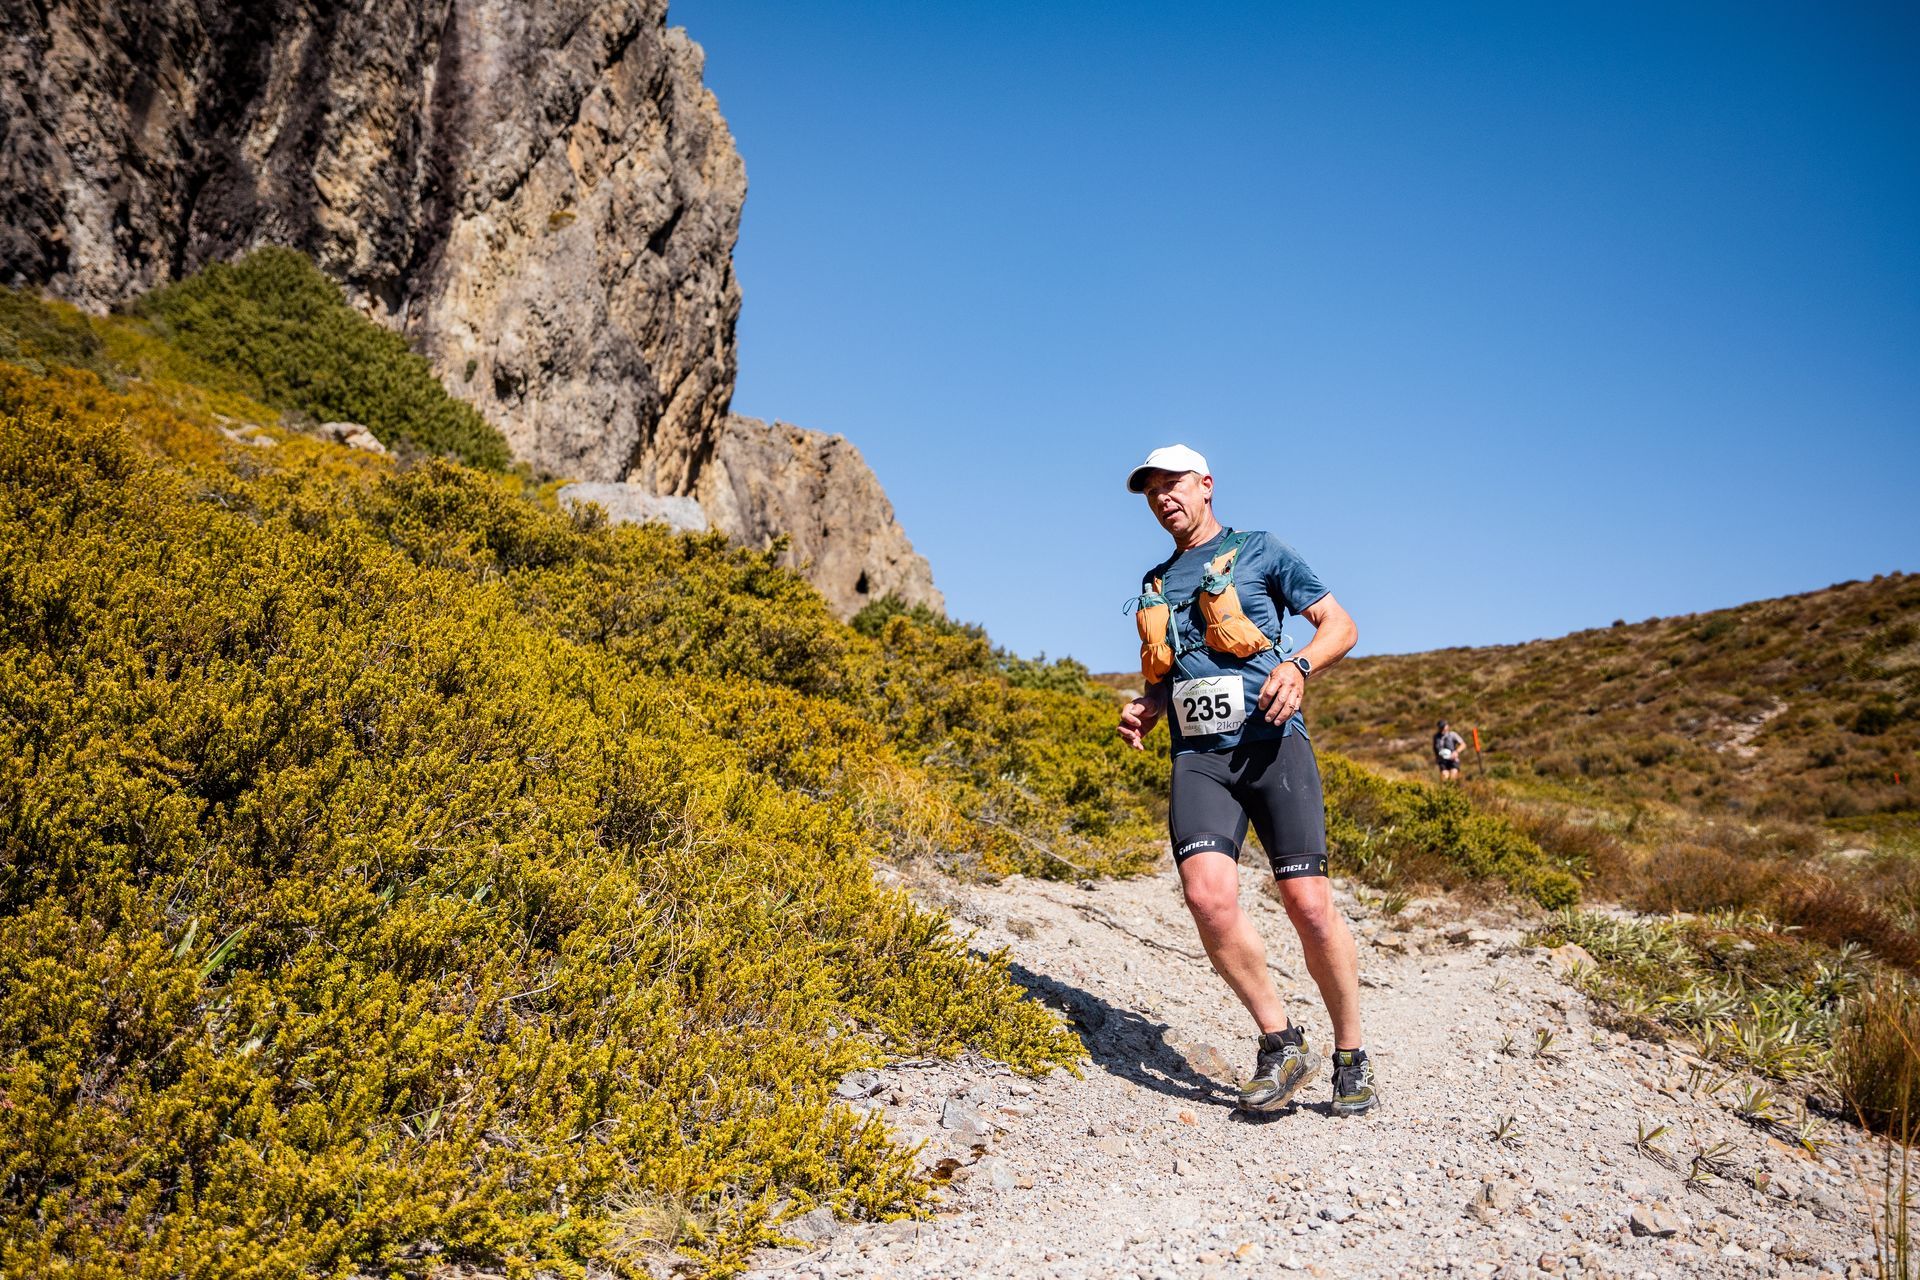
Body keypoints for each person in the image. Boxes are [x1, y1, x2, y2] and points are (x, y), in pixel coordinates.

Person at [1115, 444, 1377, 1117]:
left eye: (1173, 484)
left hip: (1272, 748)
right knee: (1206, 898)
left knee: (1309, 906)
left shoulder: (1261, 550)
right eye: (1152, 491)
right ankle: (1280, 1041)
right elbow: (1163, 676)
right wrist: (1144, 706)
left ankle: (1351, 1053)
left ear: (1205, 485)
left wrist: (1300, 667)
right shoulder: (1155, 579)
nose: (1163, 498)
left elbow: (1339, 626)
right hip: (1199, 758)